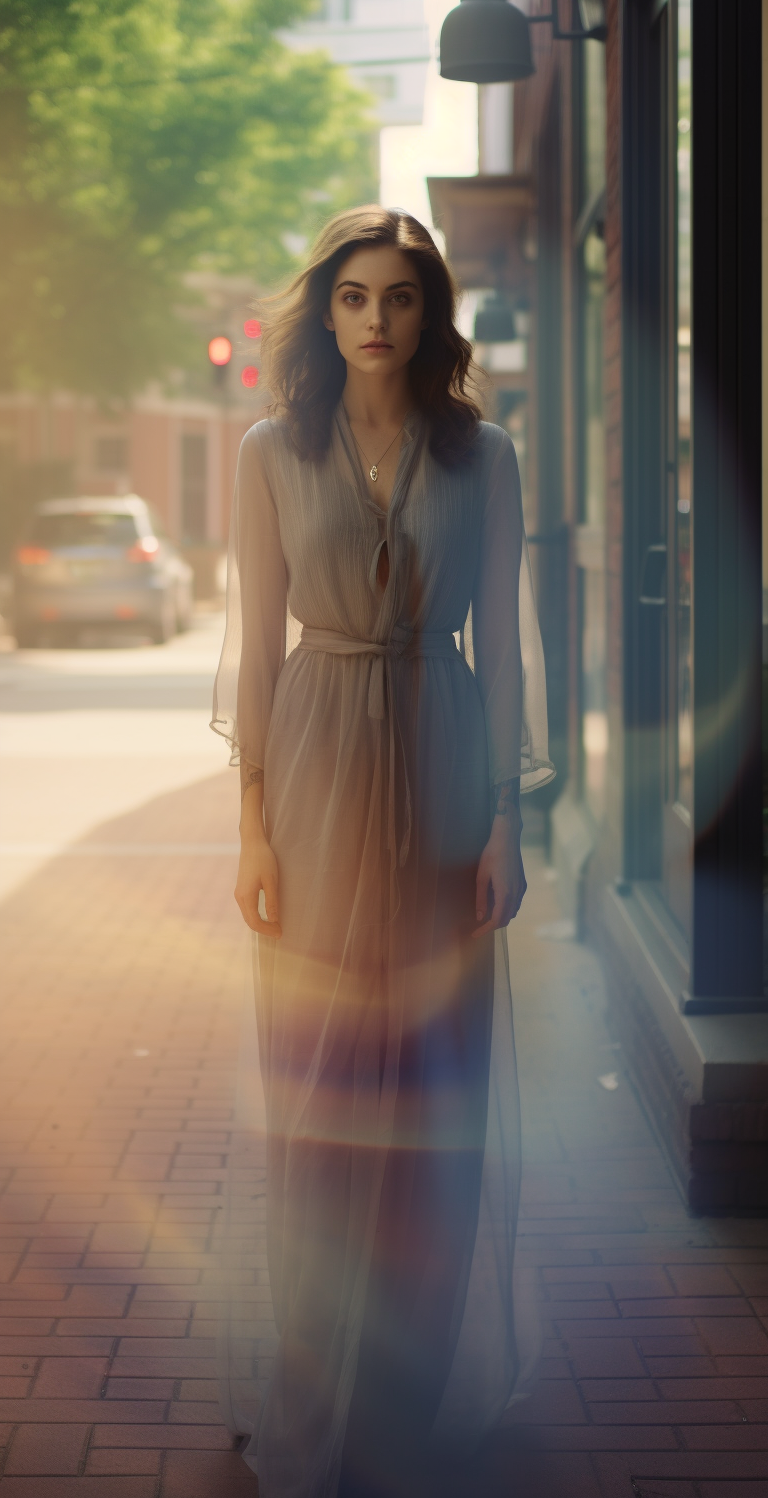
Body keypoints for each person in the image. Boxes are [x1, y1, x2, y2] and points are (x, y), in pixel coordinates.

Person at [211, 205, 554, 1498]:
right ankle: (315, 1379)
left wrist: (509, 823)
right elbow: (253, 644)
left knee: (433, 1086)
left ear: (431, 315)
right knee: (316, 1084)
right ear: (325, 312)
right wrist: (251, 820)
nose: (374, 321)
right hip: (307, 765)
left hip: (447, 757)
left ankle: (409, 1389)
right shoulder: (265, 451)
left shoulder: (488, 457)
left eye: (400, 299)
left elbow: (507, 643)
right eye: (353, 298)